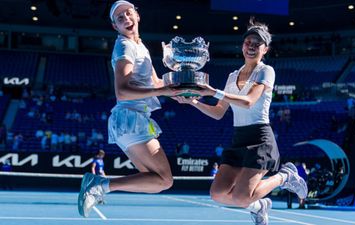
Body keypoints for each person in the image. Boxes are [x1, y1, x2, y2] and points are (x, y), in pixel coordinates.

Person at [173, 18, 307, 225]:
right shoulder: (232, 76)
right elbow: (219, 112)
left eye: (257, 44)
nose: (251, 47)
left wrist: (213, 92)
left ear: (265, 49)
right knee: (218, 194)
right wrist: (193, 102)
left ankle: (285, 176)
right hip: (239, 139)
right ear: (243, 45)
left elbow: (248, 102)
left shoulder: (265, 71)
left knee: (241, 197)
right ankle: (260, 206)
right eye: (248, 42)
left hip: (260, 138)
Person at [78, 0, 179, 218]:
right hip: (131, 118)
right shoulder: (125, 46)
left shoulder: (139, 46)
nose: (126, 19)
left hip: (131, 121)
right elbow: (122, 91)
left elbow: (157, 83)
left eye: (128, 13)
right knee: (164, 179)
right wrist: (164, 92)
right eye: (120, 18)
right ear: (115, 26)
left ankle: (100, 184)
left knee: (160, 180)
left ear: (137, 16)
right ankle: (100, 185)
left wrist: (182, 80)